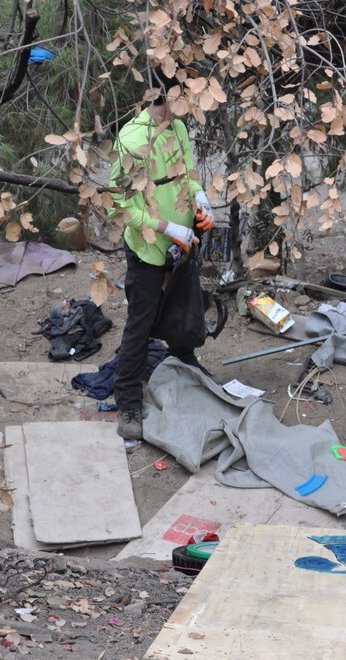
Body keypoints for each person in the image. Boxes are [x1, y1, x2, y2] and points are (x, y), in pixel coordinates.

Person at [109, 83, 214, 441]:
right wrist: (167, 228)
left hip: (183, 244)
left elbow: (187, 171)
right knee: (141, 321)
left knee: (184, 305)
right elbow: (122, 206)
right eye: (174, 105)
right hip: (150, 247)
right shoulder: (130, 139)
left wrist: (201, 198)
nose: (179, 114)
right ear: (158, 102)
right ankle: (127, 398)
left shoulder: (180, 128)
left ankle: (185, 362)